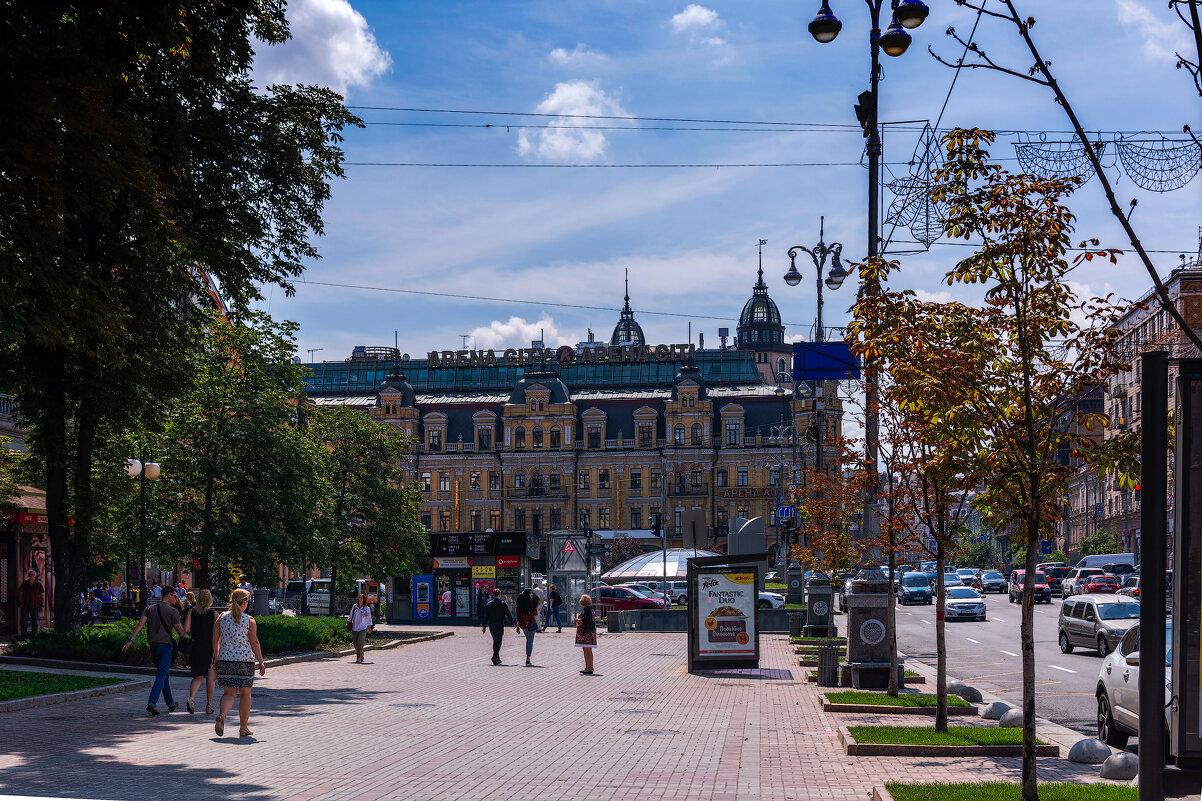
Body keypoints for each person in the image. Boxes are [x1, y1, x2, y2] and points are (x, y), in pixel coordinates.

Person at [122, 586, 186, 715]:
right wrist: (187, 636)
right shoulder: (172, 612)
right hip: (166, 647)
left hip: (153, 646)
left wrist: (131, 640)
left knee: (164, 675)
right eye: (175, 596)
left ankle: (171, 704)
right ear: (168, 596)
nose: (176, 599)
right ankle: (152, 703)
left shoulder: (149, 609)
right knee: (161, 675)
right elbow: (180, 632)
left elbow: (140, 624)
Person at [212, 587, 266, 738]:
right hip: (244, 662)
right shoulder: (249, 620)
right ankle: (243, 727)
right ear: (244, 603)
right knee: (245, 693)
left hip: (225, 660)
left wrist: (216, 656)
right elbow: (254, 642)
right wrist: (261, 661)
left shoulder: (221, 617)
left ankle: (222, 715)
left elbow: (215, 638)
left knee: (229, 693)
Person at [186, 589, 217, 715]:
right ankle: (209, 706)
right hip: (210, 648)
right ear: (210, 600)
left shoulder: (191, 612)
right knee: (210, 678)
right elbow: (218, 633)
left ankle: (191, 698)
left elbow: (186, 629)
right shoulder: (214, 614)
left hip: (196, 647)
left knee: (197, 676)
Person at [480, 588, 514, 665]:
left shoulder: (489, 604)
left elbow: (486, 616)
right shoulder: (502, 604)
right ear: (499, 595)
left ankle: (496, 658)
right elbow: (508, 613)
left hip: (491, 626)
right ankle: (495, 656)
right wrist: (512, 622)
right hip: (499, 625)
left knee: (495, 640)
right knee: (498, 641)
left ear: (493, 595)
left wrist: (484, 626)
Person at [515, 588, 539, 666]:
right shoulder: (532, 602)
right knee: (530, 640)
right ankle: (528, 658)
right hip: (531, 622)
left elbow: (518, 616)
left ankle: (528, 657)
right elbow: (535, 614)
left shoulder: (520, 603)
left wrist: (518, 626)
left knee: (528, 639)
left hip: (523, 624)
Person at [17, 570, 44, 638]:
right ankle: (23, 636)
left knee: (35, 621)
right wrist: (21, 603)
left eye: (32, 574)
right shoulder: (24, 583)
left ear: (35, 576)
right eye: (30, 574)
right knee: (24, 622)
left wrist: (42, 604)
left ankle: (34, 636)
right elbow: (20, 594)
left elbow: (41, 595)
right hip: (25, 605)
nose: (31, 576)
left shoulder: (38, 584)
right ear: (28, 575)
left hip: (35, 605)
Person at [347, 593, 374, 663]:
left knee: (360, 642)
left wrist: (369, 627)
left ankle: (358, 658)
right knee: (355, 644)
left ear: (364, 599)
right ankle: (361, 654)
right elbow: (350, 615)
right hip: (355, 627)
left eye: (361, 598)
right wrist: (348, 622)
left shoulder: (366, 608)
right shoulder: (354, 606)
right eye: (358, 598)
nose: (359, 600)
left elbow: (369, 618)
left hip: (363, 627)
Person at [575, 594, 597, 675]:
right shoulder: (591, 608)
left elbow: (586, 620)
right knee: (589, 650)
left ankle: (588, 668)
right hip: (591, 631)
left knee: (586, 650)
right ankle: (589, 667)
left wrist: (578, 620)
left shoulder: (587, 609)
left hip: (586, 632)